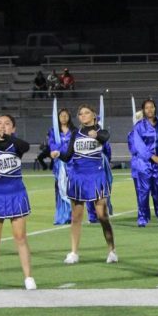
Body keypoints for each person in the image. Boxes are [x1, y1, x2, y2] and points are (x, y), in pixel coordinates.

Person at [0, 114, 35, 290]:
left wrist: (7, 136)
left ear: (13, 128)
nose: (3, 126)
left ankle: (28, 278)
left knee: (20, 237)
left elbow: (25, 146)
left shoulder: (15, 146)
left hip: (15, 194)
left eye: (7, 124)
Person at [55, 104, 116, 265]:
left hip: (96, 176)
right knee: (76, 217)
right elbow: (68, 156)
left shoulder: (100, 131)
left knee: (102, 216)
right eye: (80, 114)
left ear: (94, 115)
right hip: (77, 177)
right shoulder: (75, 133)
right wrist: (58, 154)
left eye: (86, 113)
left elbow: (105, 137)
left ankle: (111, 250)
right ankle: (74, 252)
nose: (83, 116)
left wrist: (96, 134)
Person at [128, 99, 158, 227]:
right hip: (144, 164)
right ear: (143, 110)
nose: (150, 110)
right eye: (147, 108)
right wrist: (151, 156)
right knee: (143, 192)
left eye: (152, 107)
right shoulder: (139, 126)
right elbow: (138, 146)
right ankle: (143, 217)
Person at [44, 108, 79, 225]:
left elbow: (75, 146)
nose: (63, 118)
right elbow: (51, 144)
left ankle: (73, 214)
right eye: (61, 116)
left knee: (72, 188)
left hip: (72, 163)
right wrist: (56, 152)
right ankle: (61, 215)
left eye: (66, 115)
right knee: (60, 189)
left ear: (69, 117)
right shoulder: (53, 131)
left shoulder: (74, 131)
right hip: (60, 164)